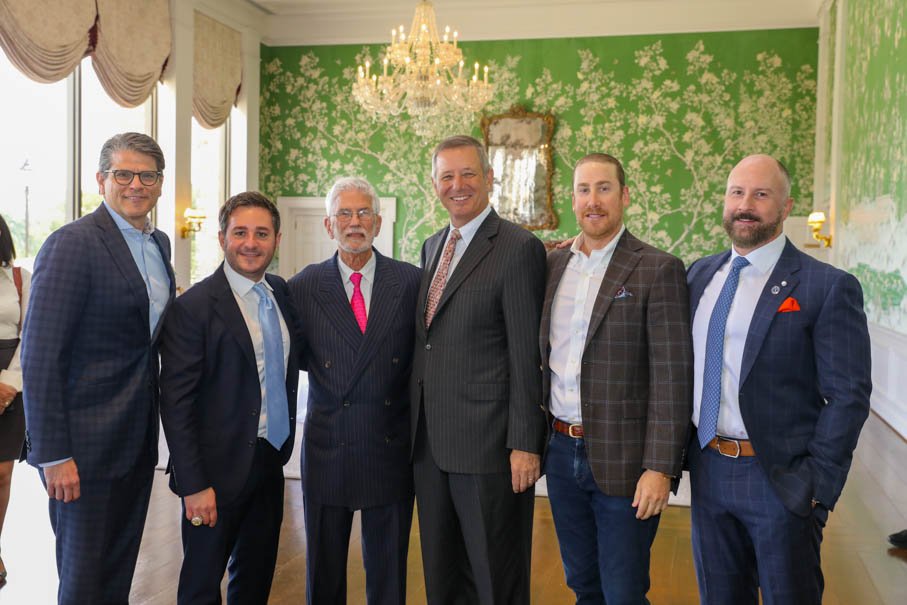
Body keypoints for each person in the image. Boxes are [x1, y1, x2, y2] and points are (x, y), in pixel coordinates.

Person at [686, 154, 872, 604]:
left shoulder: (825, 286)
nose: (745, 204)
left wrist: (815, 488)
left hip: (780, 478)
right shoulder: (697, 275)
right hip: (708, 468)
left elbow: (848, 396)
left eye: (761, 194)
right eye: (736, 192)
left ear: (786, 207)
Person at [21, 132, 175, 603]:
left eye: (147, 175)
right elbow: (40, 355)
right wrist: (53, 455)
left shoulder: (159, 244)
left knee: (118, 574)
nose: (136, 184)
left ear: (160, 183)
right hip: (81, 452)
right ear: (101, 180)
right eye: (123, 174)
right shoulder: (72, 245)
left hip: (136, 443)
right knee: (83, 582)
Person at [540, 154, 692, 603]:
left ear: (624, 196)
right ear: (573, 199)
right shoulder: (552, 266)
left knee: (624, 591)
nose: (593, 200)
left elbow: (672, 377)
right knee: (583, 585)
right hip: (561, 452)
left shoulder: (658, 268)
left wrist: (660, 467)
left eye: (604, 188)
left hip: (626, 463)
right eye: (584, 190)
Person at [409, 134, 547, 603]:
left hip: (489, 451)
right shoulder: (431, 246)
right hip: (429, 446)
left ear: (489, 179)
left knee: (495, 579)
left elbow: (526, 354)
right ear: (435, 185)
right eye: (447, 176)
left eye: (468, 173)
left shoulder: (517, 247)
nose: (458, 185)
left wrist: (525, 444)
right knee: (442, 576)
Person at [159, 191, 299, 604]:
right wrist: (194, 484)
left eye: (261, 233)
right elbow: (176, 403)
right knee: (202, 586)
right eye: (240, 233)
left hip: (270, 462)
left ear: (276, 239)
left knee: (254, 582)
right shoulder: (194, 307)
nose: (250, 243)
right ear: (222, 238)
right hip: (213, 474)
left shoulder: (280, 292)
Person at [289, 177, 420, 604]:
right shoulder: (303, 286)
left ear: (379, 222)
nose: (354, 222)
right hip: (329, 445)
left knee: (389, 572)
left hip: (390, 446)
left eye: (364, 212)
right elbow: (295, 359)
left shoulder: (410, 282)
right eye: (344, 213)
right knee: (323, 572)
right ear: (329, 226)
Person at [0, 214, 29, 589]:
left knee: (2, 474)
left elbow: (32, 332)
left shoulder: (21, 278)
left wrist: (8, 383)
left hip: (12, 379)